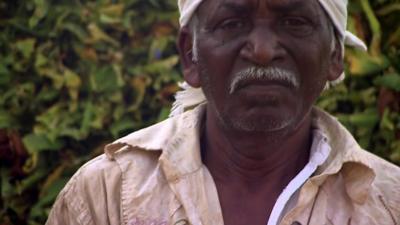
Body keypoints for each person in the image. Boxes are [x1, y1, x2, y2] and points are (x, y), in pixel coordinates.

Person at [46, 0, 400, 224]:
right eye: (232, 23)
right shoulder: (106, 196)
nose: (262, 51)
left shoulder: (390, 205)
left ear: (335, 55)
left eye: (294, 22)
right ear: (190, 56)